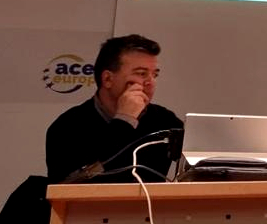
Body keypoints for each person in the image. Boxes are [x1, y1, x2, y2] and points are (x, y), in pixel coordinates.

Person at [45, 35, 183, 183]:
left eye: (154, 74)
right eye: (141, 73)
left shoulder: (165, 120)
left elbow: (197, 169)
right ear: (107, 79)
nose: (151, 82)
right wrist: (124, 121)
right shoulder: (68, 125)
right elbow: (71, 184)